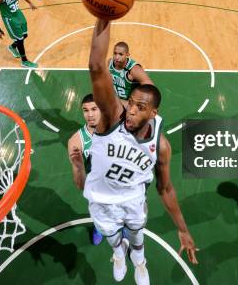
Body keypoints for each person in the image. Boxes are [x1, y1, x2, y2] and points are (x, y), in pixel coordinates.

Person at [79, 19, 198, 284]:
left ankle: (139, 261)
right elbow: (96, 67)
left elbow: (165, 189)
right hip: (101, 199)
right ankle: (119, 254)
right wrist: (104, 16)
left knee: (137, 235)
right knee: (113, 238)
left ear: (153, 114)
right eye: (131, 103)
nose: (131, 110)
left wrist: (182, 229)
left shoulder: (161, 144)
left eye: (140, 107)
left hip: (133, 199)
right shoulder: (112, 117)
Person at [67, 94, 104, 245]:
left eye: (94, 109)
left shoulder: (118, 128)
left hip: (119, 182)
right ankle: (98, 228)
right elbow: (79, 184)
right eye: (85, 110)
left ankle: (123, 229)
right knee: (98, 212)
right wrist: (79, 166)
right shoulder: (76, 141)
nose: (90, 114)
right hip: (97, 188)